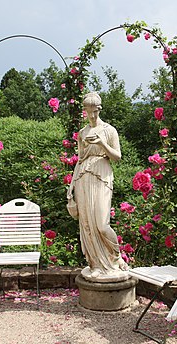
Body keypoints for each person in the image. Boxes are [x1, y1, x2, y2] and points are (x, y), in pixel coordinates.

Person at [67, 92, 129, 282]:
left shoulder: (109, 130)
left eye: (95, 112)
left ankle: (115, 258)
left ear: (99, 109)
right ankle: (96, 264)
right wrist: (71, 185)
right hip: (83, 177)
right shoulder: (83, 133)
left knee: (102, 224)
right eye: (89, 112)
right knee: (87, 224)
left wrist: (102, 143)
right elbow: (80, 159)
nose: (92, 116)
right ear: (85, 111)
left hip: (102, 174)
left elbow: (117, 157)